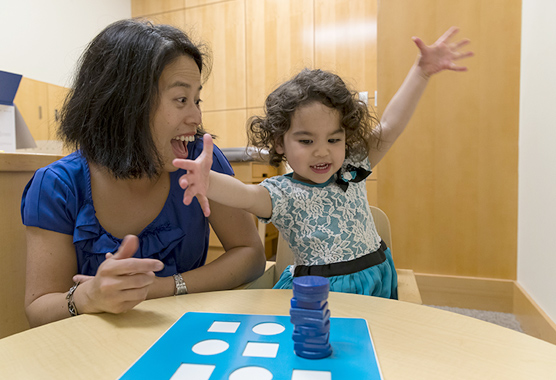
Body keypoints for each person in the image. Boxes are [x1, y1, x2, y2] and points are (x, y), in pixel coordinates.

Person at [173, 27, 473, 298]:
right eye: (306, 141)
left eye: (333, 139)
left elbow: (391, 126)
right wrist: (207, 180)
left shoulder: (352, 167)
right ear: (280, 142)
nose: (322, 152)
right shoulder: (281, 192)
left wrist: (421, 73)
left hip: (376, 280)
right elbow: (245, 195)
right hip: (317, 296)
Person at [20, 19, 266, 327]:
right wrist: (88, 297)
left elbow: (250, 254)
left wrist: (164, 287)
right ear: (126, 104)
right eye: (181, 100)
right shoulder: (57, 185)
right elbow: (38, 309)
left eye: (196, 100)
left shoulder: (200, 164)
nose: (196, 116)